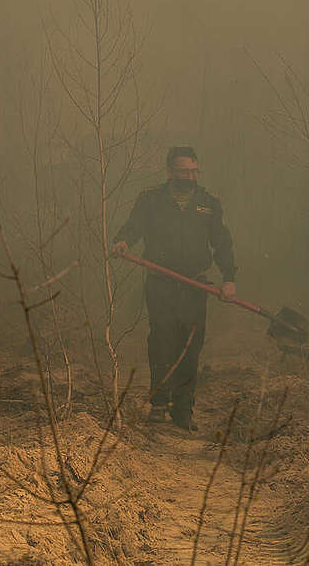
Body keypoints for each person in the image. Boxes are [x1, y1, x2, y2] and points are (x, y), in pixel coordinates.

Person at [112, 146, 237, 431]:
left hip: (195, 285)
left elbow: (222, 243)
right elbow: (133, 227)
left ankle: (183, 411)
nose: (190, 176)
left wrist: (228, 278)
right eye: (184, 171)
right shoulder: (151, 200)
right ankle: (159, 405)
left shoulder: (208, 203)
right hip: (161, 283)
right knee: (162, 342)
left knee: (191, 346)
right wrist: (123, 241)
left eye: (194, 171)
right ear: (170, 171)